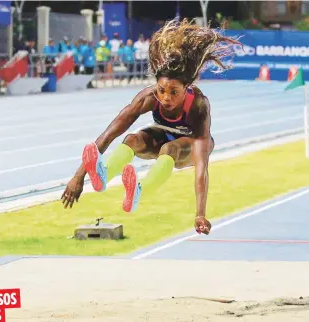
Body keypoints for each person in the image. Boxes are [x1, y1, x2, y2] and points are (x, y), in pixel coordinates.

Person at [61, 19, 241, 235]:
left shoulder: (198, 106)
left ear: (187, 87)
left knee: (170, 149)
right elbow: (110, 133)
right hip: (162, 134)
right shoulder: (148, 97)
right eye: (162, 90)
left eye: (174, 92)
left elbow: (201, 166)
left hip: (190, 147)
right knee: (130, 140)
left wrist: (200, 213)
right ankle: (103, 176)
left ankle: (139, 192)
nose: (166, 98)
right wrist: (78, 176)